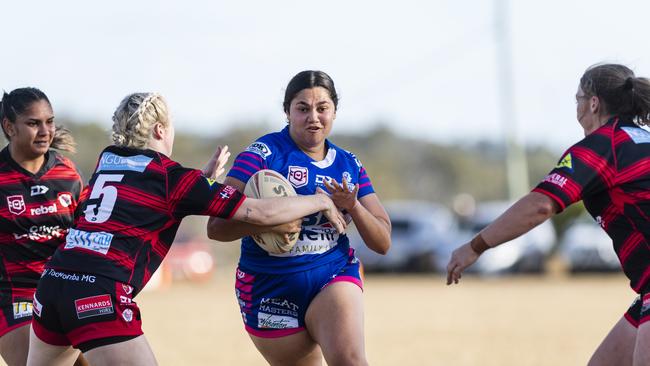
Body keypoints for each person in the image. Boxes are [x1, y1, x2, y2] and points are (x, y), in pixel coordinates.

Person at [26, 92, 346, 366]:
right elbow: (258, 213)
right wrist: (318, 201)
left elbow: (143, 204)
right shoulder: (173, 179)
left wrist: (200, 182)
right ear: (161, 129)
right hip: (98, 295)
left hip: (52, 286)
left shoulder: (108, 161)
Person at [446, 63, 650, 366]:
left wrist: (474, 246)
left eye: (578, 98)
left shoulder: (602, 146)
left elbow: (541, 205)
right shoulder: (640, 139)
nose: (577, 107)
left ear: (593, 103)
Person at [207, 70, 392, 366]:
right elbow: (216, 227)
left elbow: (383, 242)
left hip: (332, 272)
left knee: (351, 360)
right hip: (268, 285)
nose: (313, 117)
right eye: (302, 109)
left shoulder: (349, 164)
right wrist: (270, 219)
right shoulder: (261, 154)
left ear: (334, 111)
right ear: (287, 111)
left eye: (322, 109)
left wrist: (353, 205)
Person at [0, 88, 86, 365]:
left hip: (65, 290)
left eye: (49, 122)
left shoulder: (67, 173)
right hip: (14, 295)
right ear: (9, 127)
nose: (45, 131)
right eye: (33, 123)